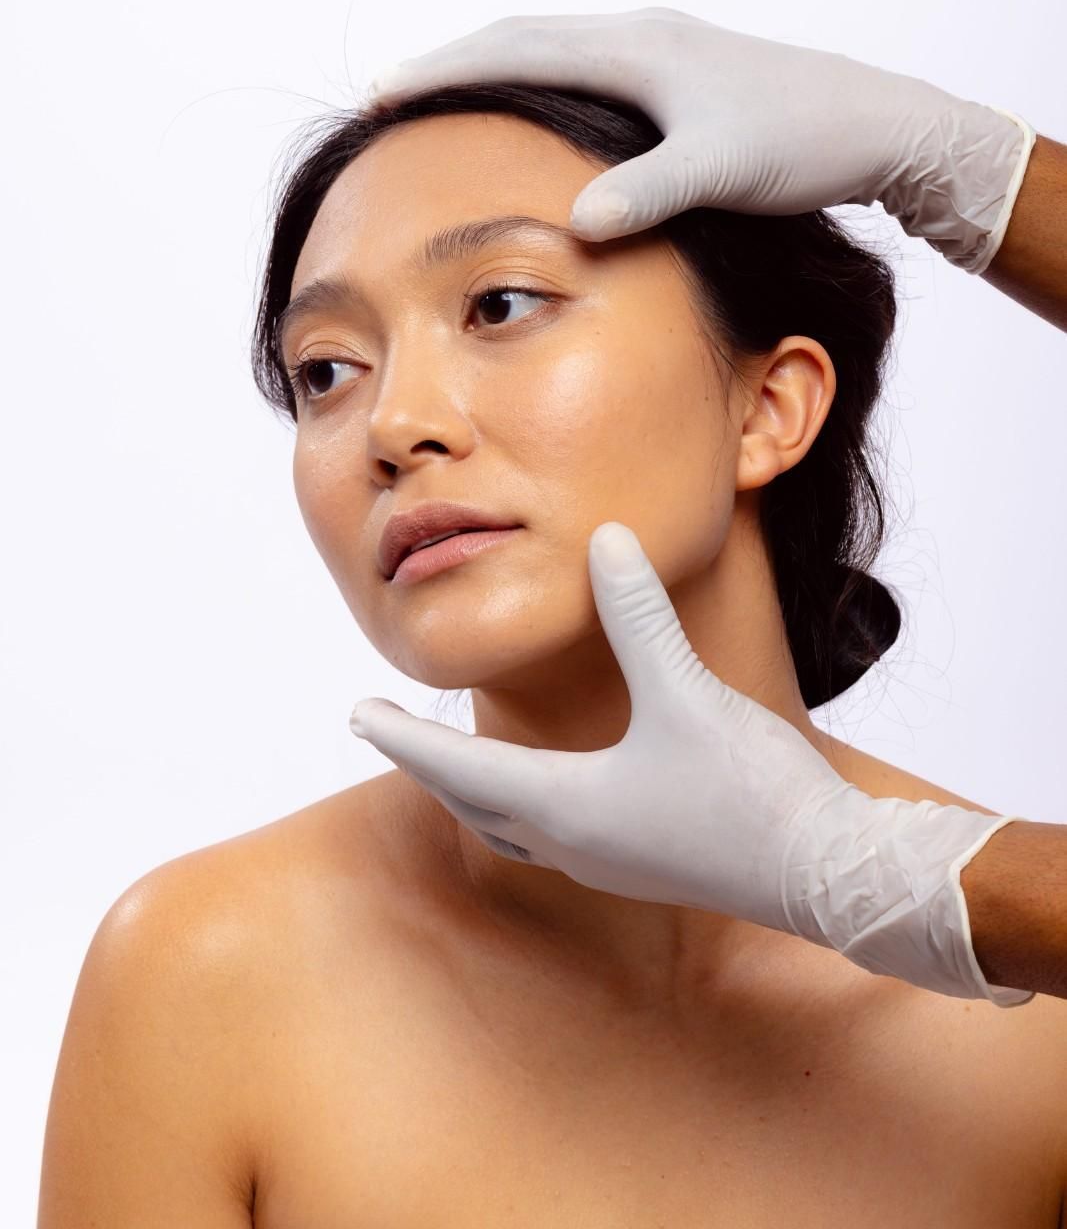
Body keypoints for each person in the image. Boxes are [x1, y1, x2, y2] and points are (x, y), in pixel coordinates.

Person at [38, 67, 1067, 1223]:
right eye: (324, 371)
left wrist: (986, 172)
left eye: (501, 304)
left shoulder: (1035, 1029)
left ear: (767, 406)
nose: (392, 424)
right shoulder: (202, 979)